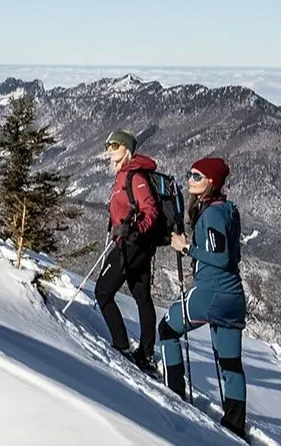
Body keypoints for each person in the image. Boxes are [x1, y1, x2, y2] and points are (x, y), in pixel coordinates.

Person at [158, 157, 249, 438]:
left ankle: (173, 394)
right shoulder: (227, 209)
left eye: (196, 176)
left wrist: (187, 248)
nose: (190, 179)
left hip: (210, 291)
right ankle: (234, 425)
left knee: (168, 330)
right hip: (234, 295)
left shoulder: (211, 214)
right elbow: (229, 252)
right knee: (230, 363)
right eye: (190, 174)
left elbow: (219, 257)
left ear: (211, 181)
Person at [92, 130, 160, 370]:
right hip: (137, 246)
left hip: (130, 246)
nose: (110, 149)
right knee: (142, 298)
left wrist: (134, 231)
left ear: (127, 148)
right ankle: (146, 352)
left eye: (115, 145)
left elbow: (150, 210)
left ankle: (121, 345)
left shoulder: (135, 176)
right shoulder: (124, 174)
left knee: (102, 292)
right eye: (108, 144)